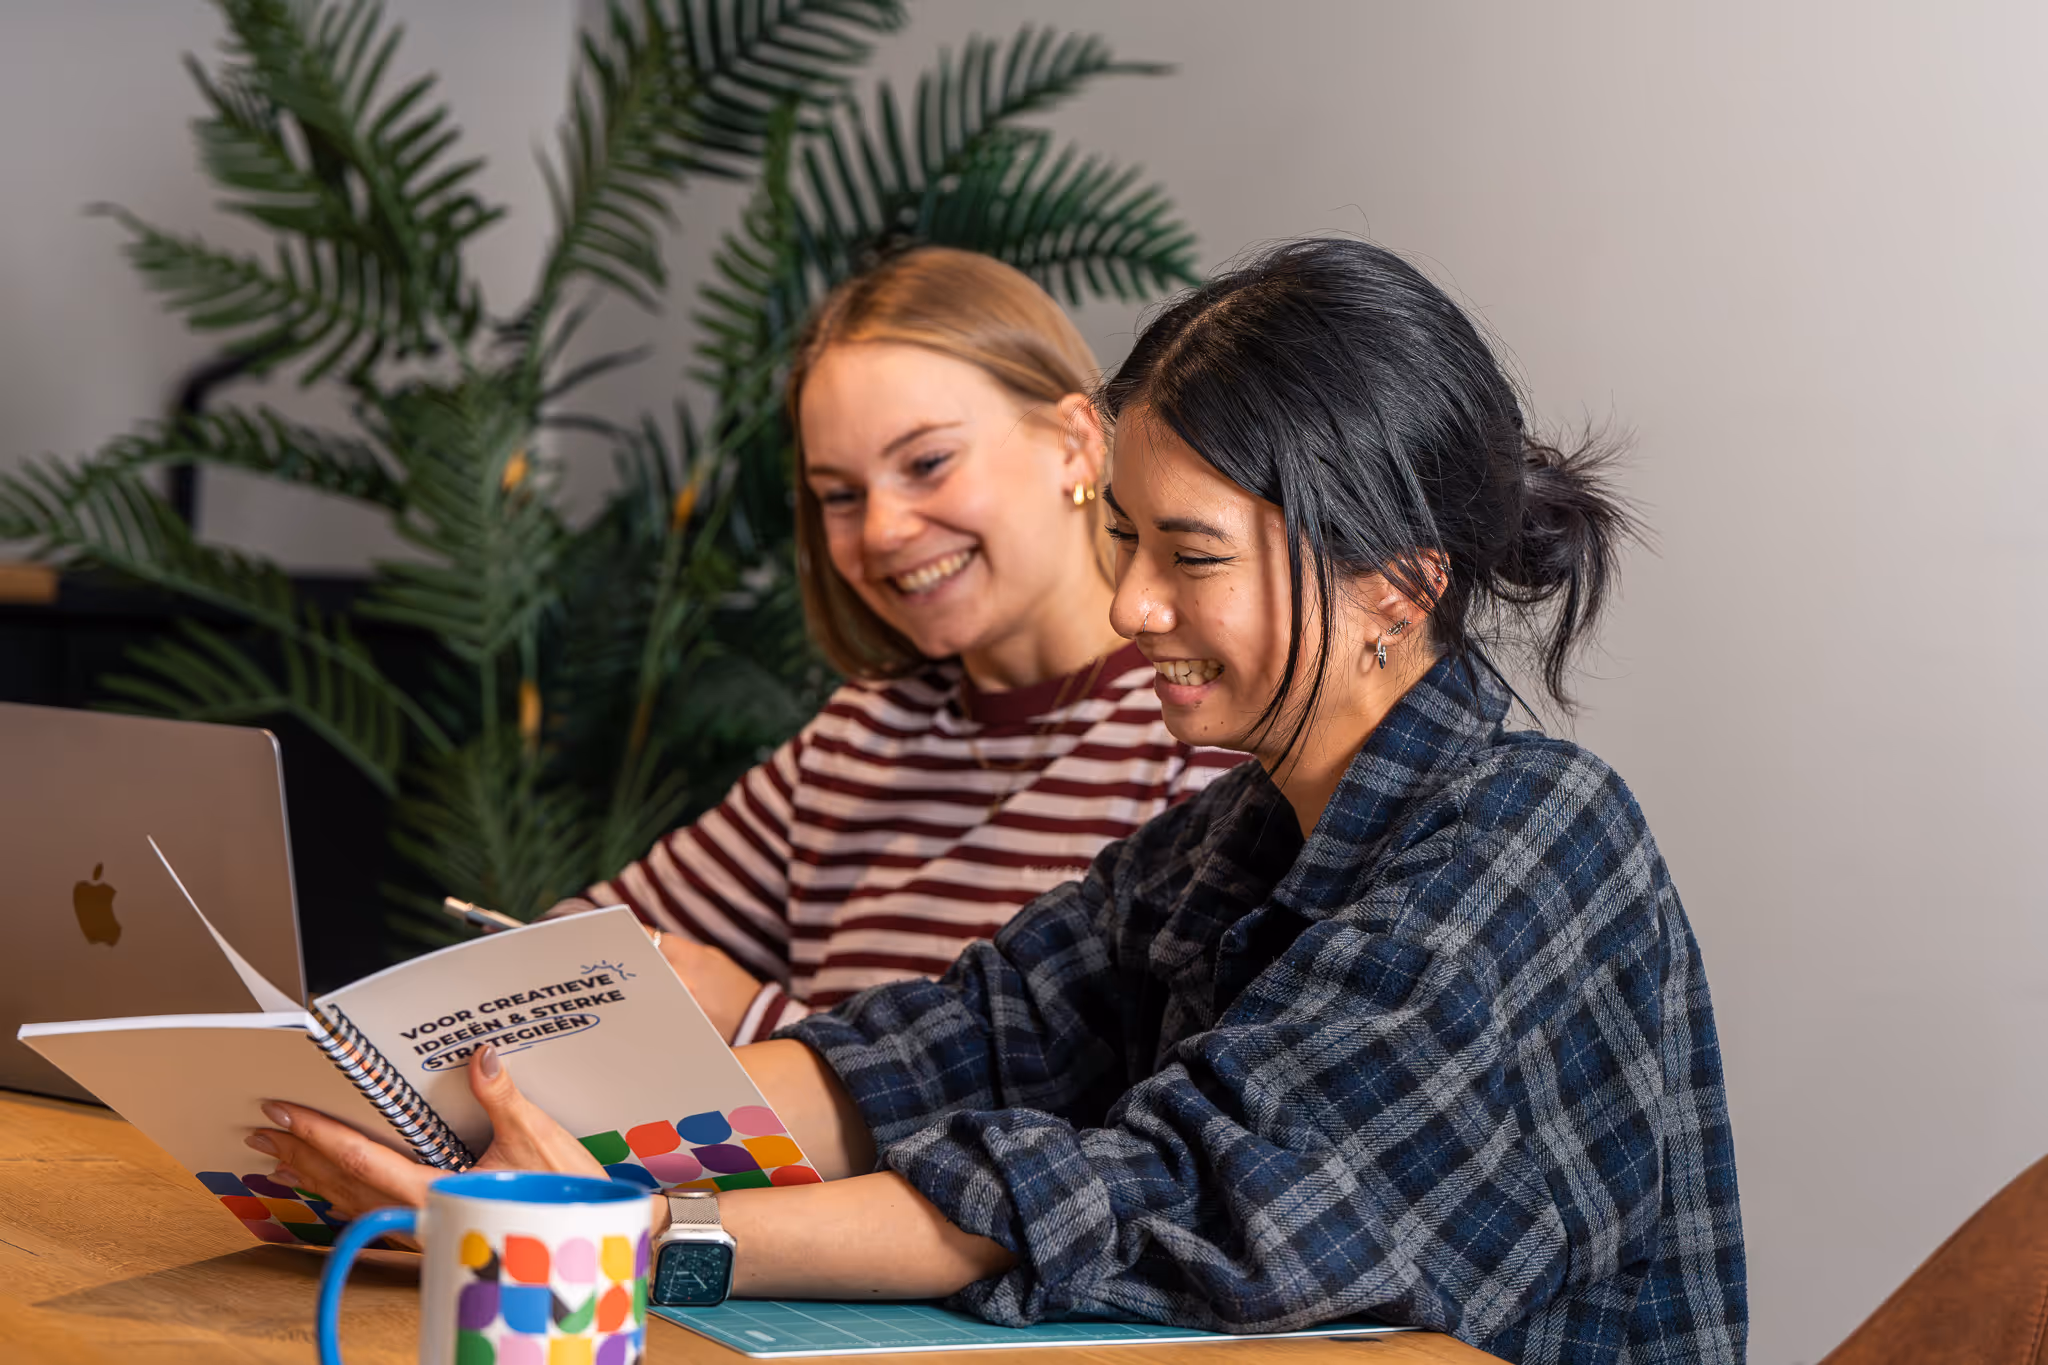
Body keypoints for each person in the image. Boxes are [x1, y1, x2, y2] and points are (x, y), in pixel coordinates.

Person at [252, 237, 1746, 1364]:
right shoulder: (1228, 834)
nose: (1137, 601)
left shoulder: (1531, 836)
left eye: (1194, 555)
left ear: (1397, 588)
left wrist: (647, 1235)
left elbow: (1177, 1196)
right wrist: (486, 1134)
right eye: (1128, 539)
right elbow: (941, 1046)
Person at [550, 247, 1240, 1042]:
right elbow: (577, 943)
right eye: (839, 495)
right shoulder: (856, 739)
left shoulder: (1197, 726)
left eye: (927, 462)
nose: (880, 531)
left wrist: (757, 1022)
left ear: (1076, 445)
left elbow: (1119, 1118)